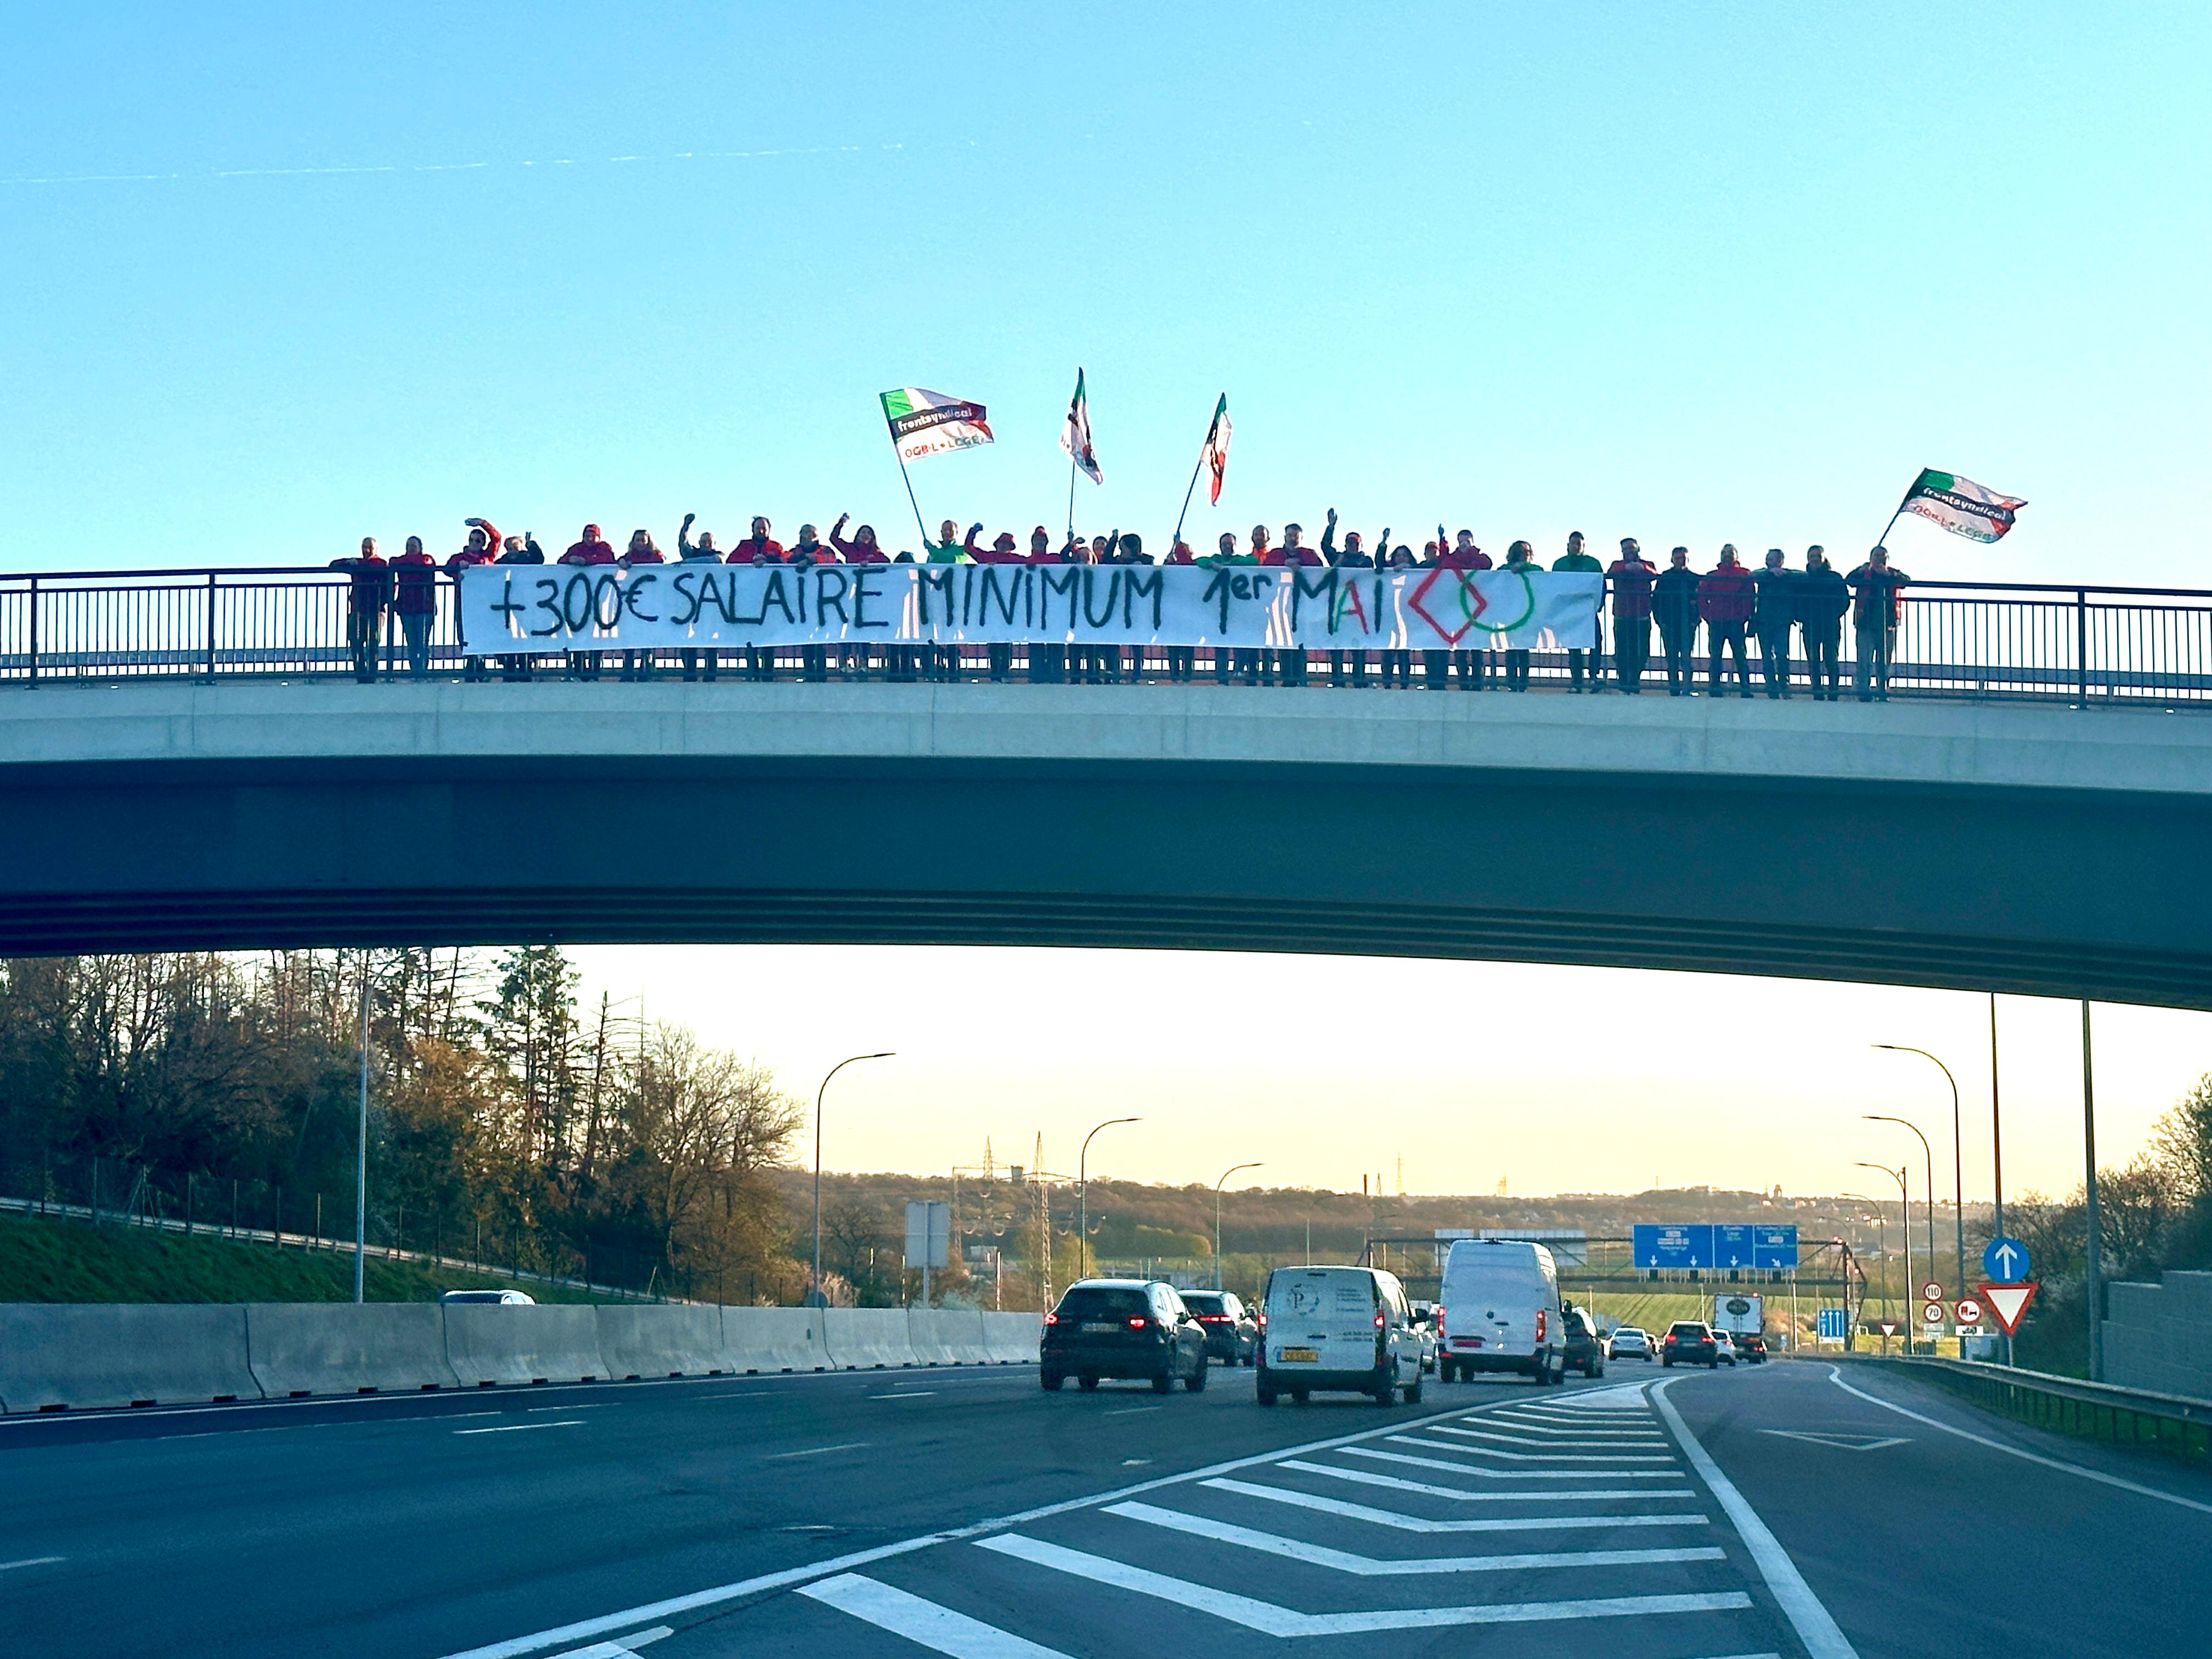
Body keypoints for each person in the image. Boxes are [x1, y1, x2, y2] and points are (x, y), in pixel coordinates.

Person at [830, 513, 889, 679]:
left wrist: (870, 565)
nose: (865, 536)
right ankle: (846, 661)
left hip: (868, 599)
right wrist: (841, 523)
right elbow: (834, 539)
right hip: (849, 596)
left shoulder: (877, 554)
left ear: (873, 538)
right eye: (862, 533)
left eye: (868, 534)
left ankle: (863, 661)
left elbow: (888, 566)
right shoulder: (850, 549)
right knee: (847, 628)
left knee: (864, 630)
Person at [727, 517, 787, 680]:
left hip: (771, 600)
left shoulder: (776, 547)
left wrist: (767, 561)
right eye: (758, 528)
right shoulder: (744, 546)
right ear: (752, 529)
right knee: (750, 639)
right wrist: (751, 562)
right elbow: (731, 563)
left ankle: (768, 673)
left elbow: (784, 563)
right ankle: (752, 672)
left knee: (769, 639)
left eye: (764, 528)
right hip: (748, 600)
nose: (761, 531)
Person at [1848, 545, 1910, 702]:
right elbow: (1850, 581)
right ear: (1871, 558)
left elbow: (1906, 581)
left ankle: (1882, 690)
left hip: (1887, 625)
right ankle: (1864, 690)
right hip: (1865, 623)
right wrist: (1861, 570)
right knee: (1864, 660)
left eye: (1883, 556)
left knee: (1884, 661)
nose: (1879, 559)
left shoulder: (1892, 574)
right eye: (1876, 555)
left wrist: (1889, 574)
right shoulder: (1865, 573)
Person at [1319, 507, 1373, 687]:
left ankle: (1359, 678)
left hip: (1360, 609)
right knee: (1338, 643)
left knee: (1358, 645)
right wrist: (1331, 527)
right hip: (1339, 607)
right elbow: (1325, 547)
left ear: (1360, 545)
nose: (1352, 545)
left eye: (1355, 543)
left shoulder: (1366, 561)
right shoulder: (1338, 557)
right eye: (1350, 542)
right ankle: (1338, 678)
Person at [560, 524, 618, 680]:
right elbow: (562, 561)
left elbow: (608, 560)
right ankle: (579, 671)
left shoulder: (604, 548)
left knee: (596, 636)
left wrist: (586, 561)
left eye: (593, 536)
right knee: (578, 635)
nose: (590, 539)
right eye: (587, 536)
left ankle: (594, 672)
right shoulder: (577, 548)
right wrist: (570, 560)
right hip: (579, 600)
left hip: (599, 599)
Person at [330, 536, 391, 682]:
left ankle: (372, 675)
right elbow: (332, 566)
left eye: (369, 547)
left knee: (373, 644)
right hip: (357, 609)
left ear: (376, 549)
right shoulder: (357, 563)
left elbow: (391, 584)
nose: (366, 550)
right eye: (364, 547)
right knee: (356, 643)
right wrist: (348, 562)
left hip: (375, 610)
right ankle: (361, 674)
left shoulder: (381, 564)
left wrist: (384, 600)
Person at [446, 517, 500, 681]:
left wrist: (483, 524)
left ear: (483, 543)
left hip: (483, 605)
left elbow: (497, 538)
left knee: (481, 637)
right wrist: (458, 571)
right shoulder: (459, 557)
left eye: (478, 541)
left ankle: (479, 667)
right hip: (463, 605)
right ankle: (471, 669)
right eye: (472, 540)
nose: (474, 543)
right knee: (464, 637)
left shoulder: (488, 556)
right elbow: (447, 569)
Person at [969, 529, 1026, 681]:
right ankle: (996, 673)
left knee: (1007, 640)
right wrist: (972, 533)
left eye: (1006, 544)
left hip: (1009, 605)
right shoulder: (988, 557)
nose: (1003, 546)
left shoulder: (1017, 560)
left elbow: (1035, 565)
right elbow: (969, 548)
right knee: (994, 640)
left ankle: (1005, 672)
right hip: (992, 606)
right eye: (1001, 543)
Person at [1699, 544, 1756, 697]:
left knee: (1740, 655)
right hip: (1717, 621)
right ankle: (1715, 687)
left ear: (1737, 556)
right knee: (1715, 656)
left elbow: (1750, 598)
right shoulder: (1712, 576)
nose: (1727, 556)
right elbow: (1702, 598)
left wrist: (1744, 616)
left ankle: (1745, 688)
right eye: (1725, 553)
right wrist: (1708, 616)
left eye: (1731, 553)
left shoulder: (1744, 575)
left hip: (1736, 621)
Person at [1267, 523, 1321, 685]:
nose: (1293, 538)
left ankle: (1301, 677)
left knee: (1301, 642)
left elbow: (1319, 571)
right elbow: (1264, 572)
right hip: (1280, 605)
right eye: (1290, 535)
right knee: (1283, 642)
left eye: (1296, 535)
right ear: (1285, 537)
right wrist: (1285, 564)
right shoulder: (1275, 555)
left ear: (1301, 538)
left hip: (1303, 606)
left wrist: (1301, 566)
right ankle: (1287, 678)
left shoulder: (1309, 555)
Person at [1553, 532, 1605, 691]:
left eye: (1579, 544)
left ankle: (1593, 677)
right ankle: (1577, 681)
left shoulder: (1593, 564)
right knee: (1573, 646)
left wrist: (1599, 605)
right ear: (1568, 545)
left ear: (1584, 546)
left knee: (1596, 642)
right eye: (1573, 544)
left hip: (1589, 611)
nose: (1575, 547)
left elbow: (1601, 585)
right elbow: (1554, 586)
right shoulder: (1560, 564)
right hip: (1569, 612)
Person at [1796, 545, 1848, 701]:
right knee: (1813, 659)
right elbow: (1796, 602)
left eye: (1818, 556)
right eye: (1812, 557)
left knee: (1831, 658)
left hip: (1830, 624)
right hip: (1810, 624)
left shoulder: (1834, 578)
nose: (1815, 559)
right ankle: (1817, 690)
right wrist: (1802, 617)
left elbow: (1844, 601)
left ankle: (1833, 690)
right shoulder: (1802, 579)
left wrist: (1833, 614)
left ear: (1824, 558)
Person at [1440, 531, 1491, 687]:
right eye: (1461, 542)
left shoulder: (1480, 557)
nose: (1464, 544)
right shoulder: (1454, 558)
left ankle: (1477, 682)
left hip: (1476, 610)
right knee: (1460, 649)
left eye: (1467, 542)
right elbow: (1445, 565)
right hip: (1459, 610)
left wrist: (1470, 554)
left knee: (1476, 649)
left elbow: (1487, 564)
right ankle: (1463, 681)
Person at [676, 514, 723, 681]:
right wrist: (685, 527)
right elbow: (683, 546)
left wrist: (684, 565)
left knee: (711, 642)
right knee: (689, 641)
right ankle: (690, 673)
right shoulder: (692, 554)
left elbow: (717, 561)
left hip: (711, 606)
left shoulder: (718, 556)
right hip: (691, 605)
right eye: (703, 542)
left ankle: (711, 674)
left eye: (709, 542)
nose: (706, 544)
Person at [1607, 538, 1656, 695]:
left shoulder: (1648, 565)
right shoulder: (1617, 565)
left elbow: (1654, 574)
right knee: (1622, 651)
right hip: (1622, 616)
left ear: (1638, 550)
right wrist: (1626, 568)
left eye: (1631, 548)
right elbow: (1611, 574)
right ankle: (1624, 684)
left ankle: (1634, 681)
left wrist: (1641, 568)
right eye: (1626, 549)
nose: (1629, 552)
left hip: (1641, 616)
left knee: (1641, 652)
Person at [787, 524, 836, 682]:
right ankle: (808, 672)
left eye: (810, 533)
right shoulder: (795, 552)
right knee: (805, 640)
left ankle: (821, 675)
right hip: (801, 603)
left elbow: (831, 561)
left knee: (819, 641)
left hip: (823, 602)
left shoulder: (825, 550)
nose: (806, 536)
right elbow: (783, 560)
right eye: (803, 533)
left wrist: (809, 560)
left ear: (816, 536)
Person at [493, 531, 543, 681]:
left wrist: (531, 545)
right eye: (509, 548)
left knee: (524, 637)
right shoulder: (502, 563)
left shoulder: (528, 559)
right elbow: (490, 573)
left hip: (527, 605)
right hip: (508, 606)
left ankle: (525, 670)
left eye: (515, 547)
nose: (512, 551)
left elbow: (539, 559)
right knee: (508, 637)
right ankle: (508, 670)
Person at [618, 529, 665, 681]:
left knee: (647, 637)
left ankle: (646, 669)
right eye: (637, 540)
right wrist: (621, 562)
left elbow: (660, 564)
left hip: (650, 602)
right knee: (630, 636)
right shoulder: (629, 556)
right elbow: (618, 562)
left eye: (642, 540)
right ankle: (629, 670)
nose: (640, 543)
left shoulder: (655, 556)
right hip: (632, 603)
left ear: (648, 541)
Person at [1652, 546, 1701, 696]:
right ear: (1672, 559)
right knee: (1672, 658)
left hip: (1688, 624)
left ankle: (1687, 687)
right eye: (1678, 558)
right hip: (1670, 623)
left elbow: (1702, 601)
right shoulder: (1665, 578)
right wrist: (1661, 622)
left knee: (1687, 657)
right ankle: (1674, 688)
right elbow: (1656, 601)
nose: (1681, 561)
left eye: (1684, 558)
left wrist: (1696, 620)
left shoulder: (1694, 578)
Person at [391, 534, 439, 679]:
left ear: (420, 549)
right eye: (408, 546)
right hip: (406, 608)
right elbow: (393, 563)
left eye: (413, 546)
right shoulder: (402, 562)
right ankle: (415, 672)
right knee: (411, 643)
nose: (410, 549)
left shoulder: (426, 559)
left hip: (424, 608)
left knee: (423, 643)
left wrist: (406, 565)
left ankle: (422, 671)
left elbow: (426, 562)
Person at [1752, 548, 1797, 699]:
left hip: (1782, 621)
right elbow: (1752, 575)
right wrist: (1769, 573)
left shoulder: (1788, 576)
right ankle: (1771, 685)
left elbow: (1804, 576)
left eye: (1771, 559)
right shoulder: (1763, 576)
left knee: (1782, 654)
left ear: (1780, 561)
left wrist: (1786, 573)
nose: (1768, 561)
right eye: (1767, 558)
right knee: (1767, 655)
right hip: (1764, 620)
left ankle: (1784, 684)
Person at [1025, 526, 1068, 684]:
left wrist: (1072, 544)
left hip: (1054, 609)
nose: (1039, 542)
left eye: (1042, 540)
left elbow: (1071, 559)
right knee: (1035, 642)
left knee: (1055, 643)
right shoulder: (1025, 562)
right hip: (1034, 609)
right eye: (1037, 539)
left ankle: (1056, 675)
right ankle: (1036, 676)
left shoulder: (1054, 559)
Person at [1497, 541, 1537, 690]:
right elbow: (1498, 574)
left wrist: (1524, 567)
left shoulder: (1534, 570)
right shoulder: (1504, 570)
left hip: (1527, 616)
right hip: (1511, 616)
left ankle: (1524, 682)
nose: (1525, 554)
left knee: (1524, 650)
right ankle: (1512, 683)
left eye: (1528, 552)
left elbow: (1540, 571)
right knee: (1511, 650)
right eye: (1522, 551)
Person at [1161, 536, 1199, 682]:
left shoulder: (1193, 566)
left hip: (1188, 615)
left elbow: (1186, 563)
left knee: (1188, 647)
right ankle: (1175, 675)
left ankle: (1187, 675)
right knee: (1174, 647)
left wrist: (1178, 545)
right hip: (1173, 615)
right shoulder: (1171, 567)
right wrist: (1168, 561)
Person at [1380, 544, 1418, 687]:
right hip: (1389, 615)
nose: (1400, 558)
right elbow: (1379, 562)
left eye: (1404, 555)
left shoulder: (1415, 572)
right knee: (1388, 651)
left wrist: (1408, 568)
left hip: (1407, 616)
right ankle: (1387, 682)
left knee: (1404, 651)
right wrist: (1383, 544)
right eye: (1398, 555)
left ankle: (1404, 683)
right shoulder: (1388, 571)